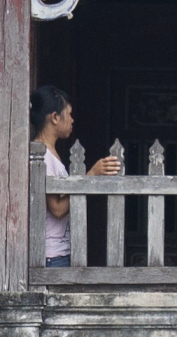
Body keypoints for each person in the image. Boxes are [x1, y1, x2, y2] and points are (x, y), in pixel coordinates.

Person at [31, 85, 120, 269]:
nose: (72, 120)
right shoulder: (42, 155)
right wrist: (90, 175)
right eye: (69, 114)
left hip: (57, 251)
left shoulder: (49, 152)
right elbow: (56, 209)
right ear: (55, 117)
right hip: (51, 255)